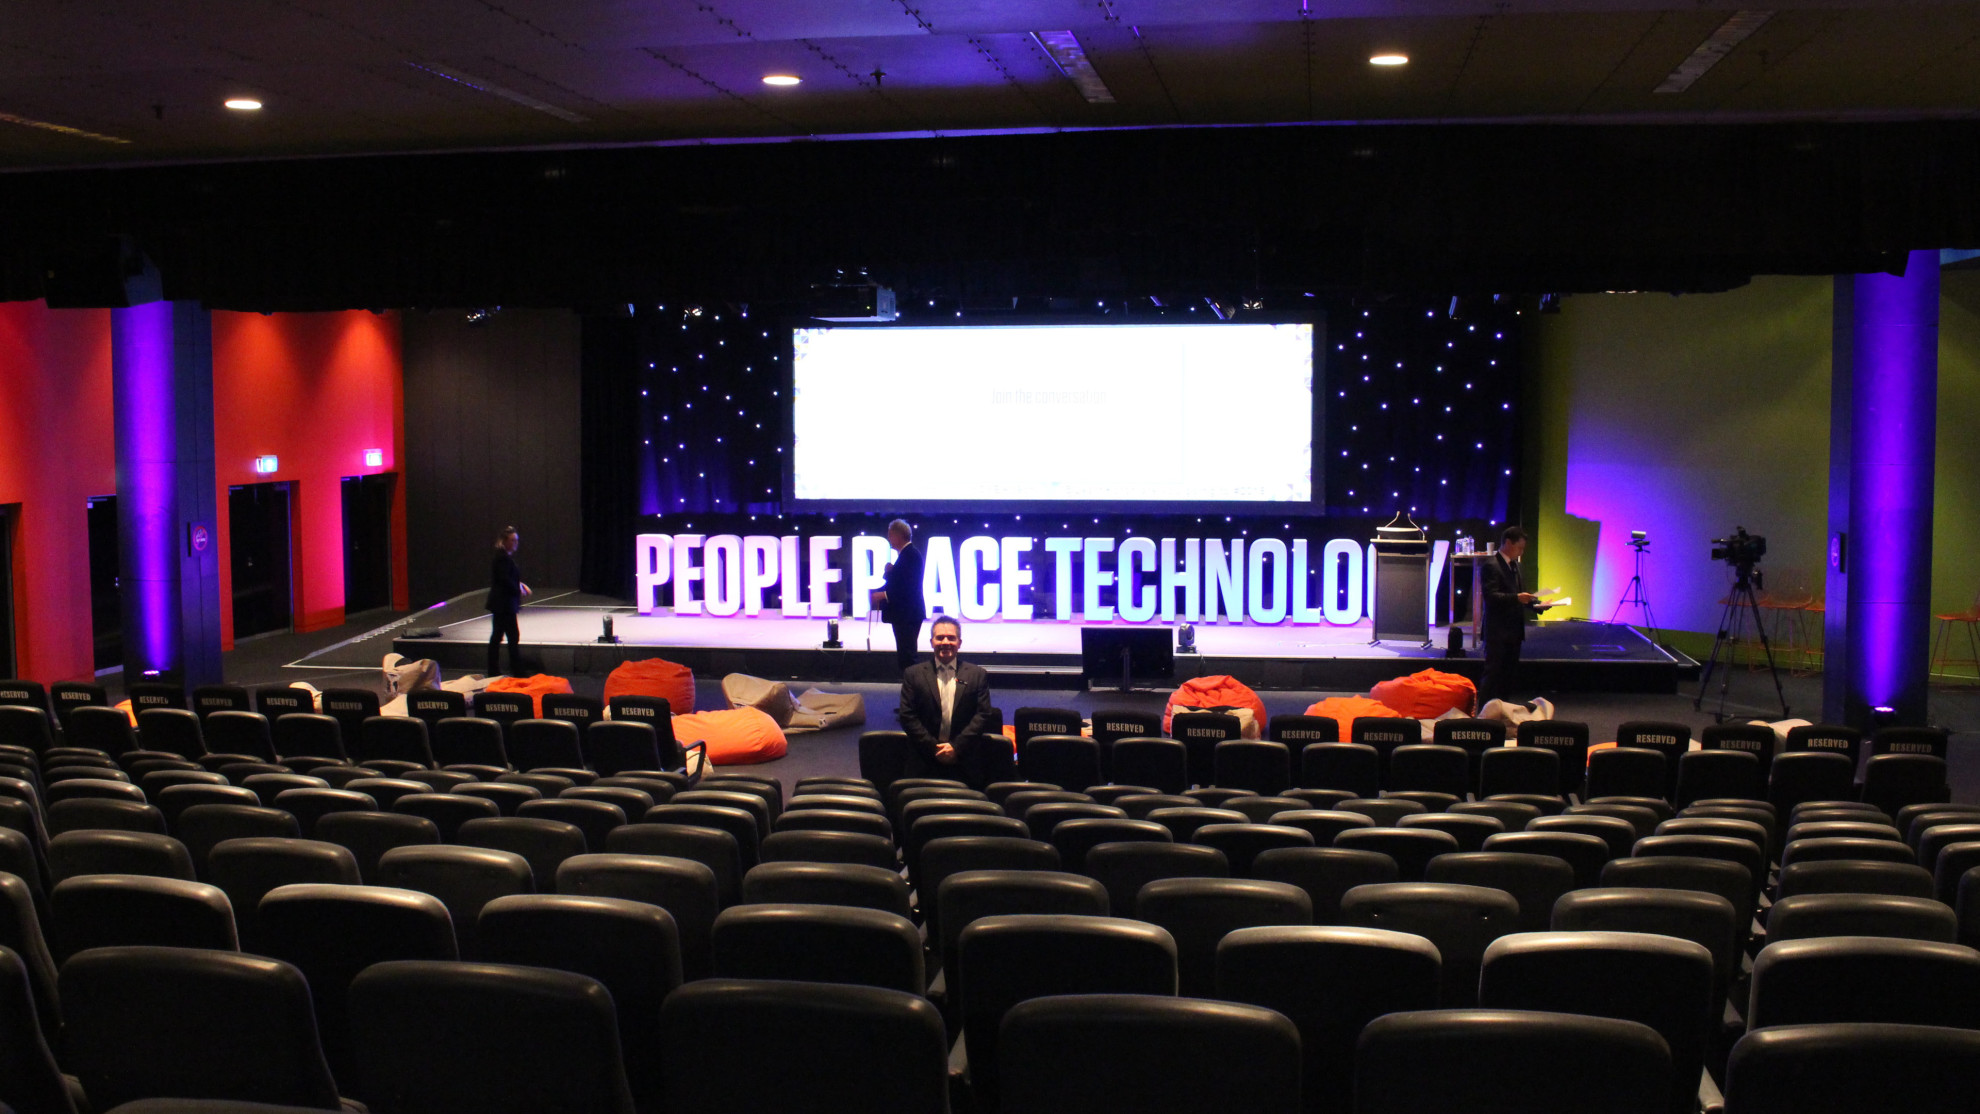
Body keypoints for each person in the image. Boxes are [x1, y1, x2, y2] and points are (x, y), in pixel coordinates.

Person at [897, 615, 996, 774]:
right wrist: (935, 749)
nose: (945, 642)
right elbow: (907, 715)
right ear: (931, 642)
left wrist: (956, 747)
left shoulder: (977, 674)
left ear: (959, 643)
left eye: (951, 638)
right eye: (940, 638)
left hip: (964, 759)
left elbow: (983, 714)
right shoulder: (913, 674)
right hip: (924, 759)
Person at [1479, 524, 1544, 703]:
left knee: (1508, 676)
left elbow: (1521, 594)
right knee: (1492, 674)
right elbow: (1491, 597)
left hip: (1514, 631)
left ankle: (1503, 712)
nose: (1521, 552)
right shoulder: (1491, 565)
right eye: (1519, 547)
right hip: (1497, 631)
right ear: (1508, 543)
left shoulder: (1516, 566)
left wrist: (1537, 605)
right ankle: (1483, 716)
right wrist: (1517, 598)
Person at [870, 518, 927, 674]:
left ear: (898, 535)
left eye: (890, 535)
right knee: (905, 655)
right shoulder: (906, 555)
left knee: (908, 656)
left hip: (908, 615)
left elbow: (909, 587)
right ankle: (912, 689)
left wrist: (884, 594)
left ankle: (914, 690)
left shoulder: (911, 555)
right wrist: (890, 572)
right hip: (905, 615)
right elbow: (901, 581)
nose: (889, 539)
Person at [485, 526, 530, 677]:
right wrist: (519, 589)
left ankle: (495, 670)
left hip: (504, 604)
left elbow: (508, 578)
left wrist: (520, 585)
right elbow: (504, 579)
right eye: (512, 540)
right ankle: (516, 670)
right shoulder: (501, 558)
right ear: (504, 541)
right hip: (503, 605)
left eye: (517, 540)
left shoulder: (504, 558)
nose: (516, 543)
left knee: (499, 636)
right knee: (510, 636)